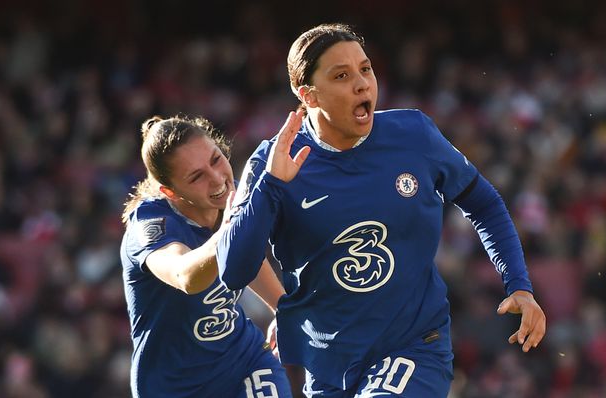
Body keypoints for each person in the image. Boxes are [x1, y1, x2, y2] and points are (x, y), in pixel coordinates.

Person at [217, 23, 546, 397]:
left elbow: (484, 203)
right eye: (342, 76)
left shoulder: (412, 135)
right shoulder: (272, 162)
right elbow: (234, 271)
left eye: (365, 69)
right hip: (327, 363)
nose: (362, 84)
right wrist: (272, 187)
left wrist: (519, 283)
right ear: (309, 96)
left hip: (414, 346)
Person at [119, 115, 293, 397]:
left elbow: (244, 255)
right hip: (173, 389)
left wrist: (284, 310)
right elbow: (185, 276)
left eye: (216, 159)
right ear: (170, 192)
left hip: (244, 362)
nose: (217, 179)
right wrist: (229, 230)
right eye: (196, 176)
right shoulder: (149, 227)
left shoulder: (230, 197)